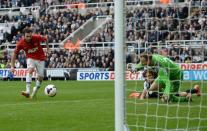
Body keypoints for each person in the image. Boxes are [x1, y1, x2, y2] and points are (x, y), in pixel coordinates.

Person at [11, 28, 49, 99]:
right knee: (30, 69)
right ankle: (27, 91)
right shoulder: (20, 43)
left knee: (40, 77)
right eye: (27, 36)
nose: (29, 38)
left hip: (41, 58)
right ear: (23, 36)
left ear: (32, 35)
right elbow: (14, 54)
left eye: (30, 36)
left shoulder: (36, 37)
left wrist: (48, 48)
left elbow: (46, 39)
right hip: (30, 58)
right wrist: (12, 66)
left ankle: (35, 90)